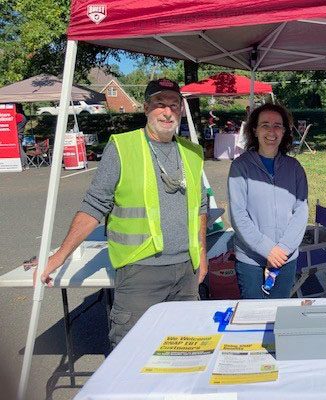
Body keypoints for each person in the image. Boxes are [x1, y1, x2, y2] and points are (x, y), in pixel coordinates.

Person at [38, 78, 208, 347]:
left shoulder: (192, 152)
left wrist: (202, 254)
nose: (167, 112)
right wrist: (57, 257)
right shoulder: (121, 147)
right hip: (140, 272)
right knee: (132, 351)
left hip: (185, 273)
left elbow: (200, 206)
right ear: (146, 108)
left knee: (184, 348)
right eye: (159, 104)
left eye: (174, 105)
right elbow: (94, 205)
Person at [228, 103, 308, 299]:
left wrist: (283, 249)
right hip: (251, 260)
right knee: (254, 316)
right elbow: (238, 215)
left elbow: (301, 210)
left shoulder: (294, 167)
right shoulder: (240, 167)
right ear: (254, 130)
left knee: (280, 315)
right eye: (265, 125)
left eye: (277, 125)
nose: (271, 131)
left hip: (285, 258)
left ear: (284, 131)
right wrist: (267, 249)